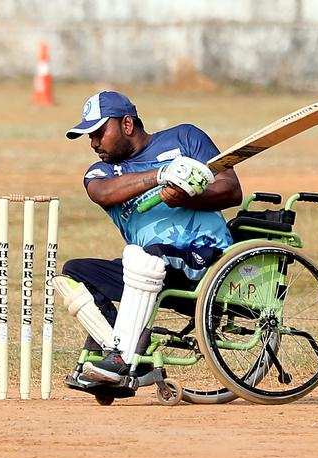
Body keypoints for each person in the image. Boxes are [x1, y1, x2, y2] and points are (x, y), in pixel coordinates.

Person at [53, 91, 242, 384]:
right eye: (89, 136)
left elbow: (231, 189)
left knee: (148, 255)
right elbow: (101, 192)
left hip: (204, 256)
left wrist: (187, 197)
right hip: (149, 271)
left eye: (99, 132)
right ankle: (121, 353)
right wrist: (162, 175)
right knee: (75, 273)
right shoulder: (102, 172)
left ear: (127, 124)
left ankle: (122, 356)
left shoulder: (185, 138)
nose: (93, 143)